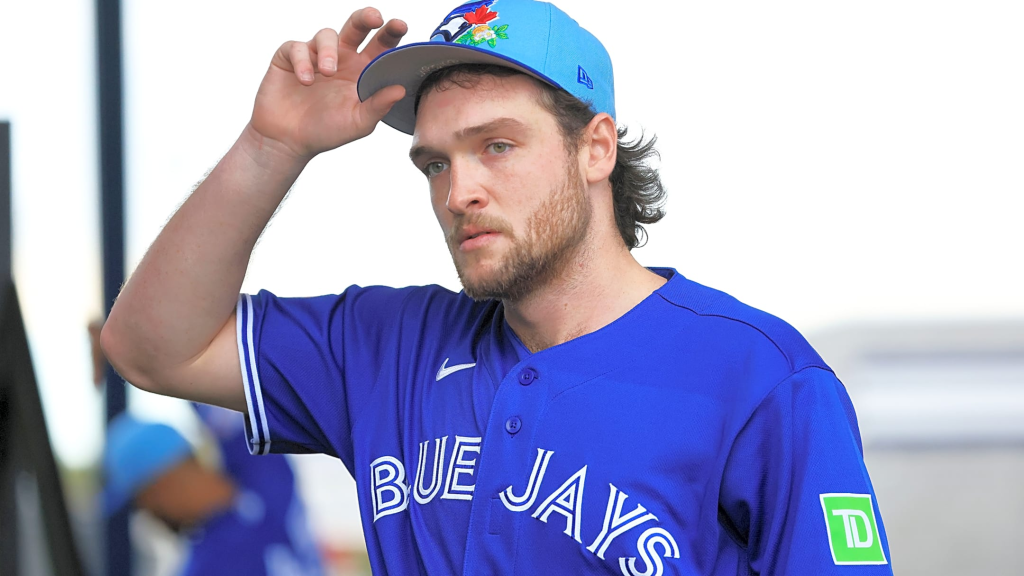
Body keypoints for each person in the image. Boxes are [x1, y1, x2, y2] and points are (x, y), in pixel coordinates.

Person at [101, 0, 893, 573]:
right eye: (435, 162)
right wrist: (271, 145)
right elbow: (150, 350)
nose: (459, 192)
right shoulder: (387, 345)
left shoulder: (760, 376)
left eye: (498, 146)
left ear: (596, 149)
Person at [92, 322, 325, 576]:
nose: (148, 515)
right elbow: (202, 376)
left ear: (157, 487)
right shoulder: (265, 471)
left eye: (142, 503)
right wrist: (127, 349)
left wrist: (122, 350)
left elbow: (202, 376)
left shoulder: (205, 566)